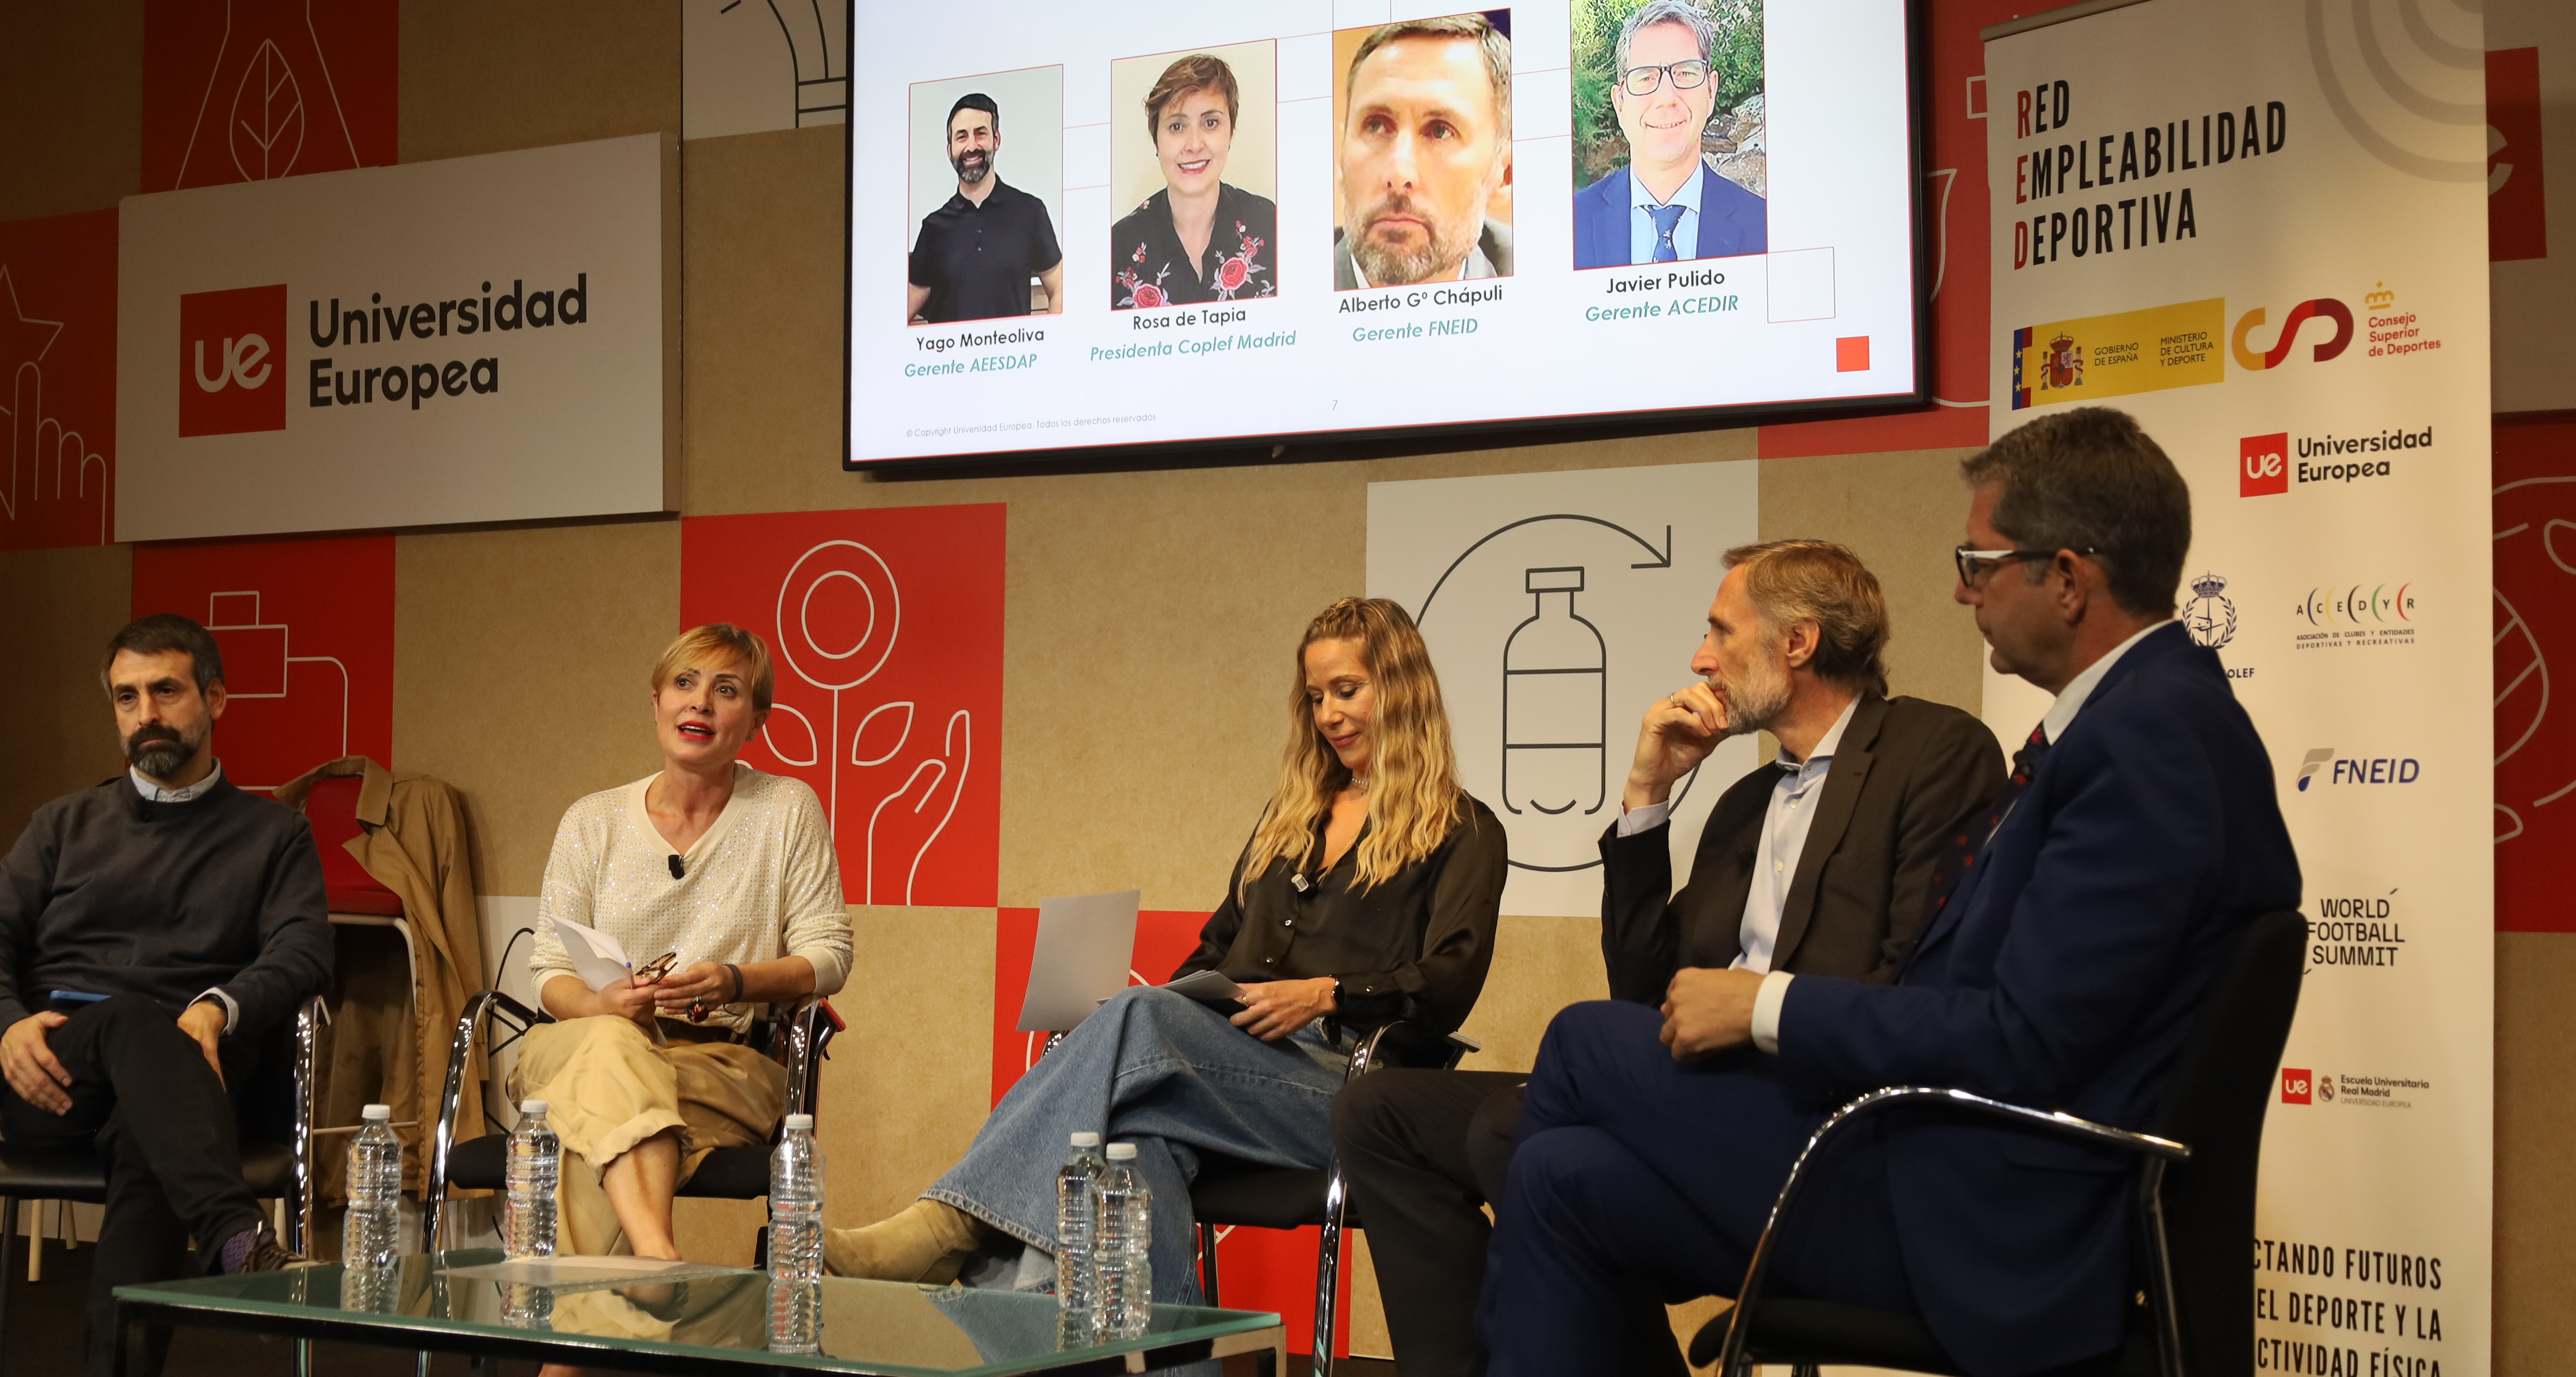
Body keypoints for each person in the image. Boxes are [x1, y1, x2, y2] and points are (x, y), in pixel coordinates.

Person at [1478, 407, 2302, 1377]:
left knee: (1579, 1042)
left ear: (2069, 579)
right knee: (1555, 1175)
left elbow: (2020, 1043)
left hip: (1988, 1218)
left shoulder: (2150, 739)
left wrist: (1765, 1003)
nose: (1962, 592)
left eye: (1980, 563)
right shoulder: (2146, 721)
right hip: (1948, 1168)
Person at [1331, 540, 2004, 1377]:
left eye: (1721, 631)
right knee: (1397, 1116)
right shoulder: (1746, 802)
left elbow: (1914, 985)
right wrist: (1647, 799)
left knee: (1558, 1072)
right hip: (1701, 1097)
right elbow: (1648, 995)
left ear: (1796, 643)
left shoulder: (1933, 751)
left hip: (1829, 1120)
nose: (1700, 657)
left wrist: (1755, 1005)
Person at [827, 596, 1508, 1305]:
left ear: (1400, 690)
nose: (1330, 715)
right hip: (1226, 1067)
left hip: (1344, 1090)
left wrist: (1330, 991)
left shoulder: (1464, 831)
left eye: (1347, 691)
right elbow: (1215, 950)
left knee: (1135, 1032)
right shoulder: (1288, 823)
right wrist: (1172, 1006)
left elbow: (1447, 983)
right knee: (1131, 1144)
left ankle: (950, 1228)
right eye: (1315, 698)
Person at [0, 614, 332, 1377]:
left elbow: (305, 949)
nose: (144, 714)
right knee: (127, 1024)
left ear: (215, 699)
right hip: (57, 1072)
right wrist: (7, 1025)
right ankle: (235, 1238)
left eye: (165, 691)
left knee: (152, 1134)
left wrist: (218, 1006)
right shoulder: (63, 824)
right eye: (126, 697)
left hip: (196, 1075)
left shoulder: (273, 834)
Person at [519, 623, 853, 1264]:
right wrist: (602, 1008)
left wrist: (736, 981)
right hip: (584, 1043)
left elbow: (830, 956)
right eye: (684, 683)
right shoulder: (591, 821)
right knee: (612, 1049)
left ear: (756, 720)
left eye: (726, 690)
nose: (699, 702)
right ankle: (655, 1261)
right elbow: (550, 972)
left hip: (718, 1065)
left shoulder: (786, 809)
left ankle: (597, 1325)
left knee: (581, 1135)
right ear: (656, 702)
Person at [1572, 0, 1768, 268]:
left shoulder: (1764, 228)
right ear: (1620, 103)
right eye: (1646, 77)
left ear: (1711, 91)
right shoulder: (1570, 228)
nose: (1667, 97)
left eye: (1686, 73)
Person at [1333, 16, 1514, 288]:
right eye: (1376, 126)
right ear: (1341, 158)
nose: (1398, 172)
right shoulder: (1286, 276)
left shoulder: (1542, 277)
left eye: (1440, 131)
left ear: (1505, 175)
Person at [1112, 52, 1277, 306]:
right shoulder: (1120, 245)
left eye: (1211, 123)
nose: (1194, 145)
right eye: (1177, 127)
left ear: (1230, 133)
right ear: (1156, 139)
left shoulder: (1269, 224)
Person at [908, 91, 1063, 323]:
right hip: (953, 360)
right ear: (950, 149)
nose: (972, 146)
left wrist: (1045, 349)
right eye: (962, 137)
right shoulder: (934, 228)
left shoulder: (1031, 212)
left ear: (996, 140)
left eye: (981, 134)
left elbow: (1060, 289)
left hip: (1015, 359)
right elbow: (901, 315)